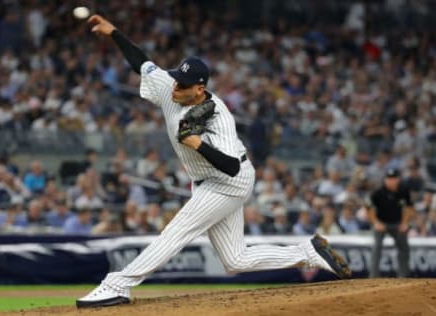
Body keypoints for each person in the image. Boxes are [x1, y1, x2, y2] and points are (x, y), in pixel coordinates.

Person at [76, 15, 351, 308]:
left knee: (175, 232)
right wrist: (115, 33)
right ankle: (309, 252)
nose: (174, 88)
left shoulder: (219, 117)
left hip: (228, 181)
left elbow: (231, 166)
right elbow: (141, 63)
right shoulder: (172, 86)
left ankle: (116, 285)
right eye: (176, 80)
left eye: (183, 85)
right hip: (206, 180)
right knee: (235, 260)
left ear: (200, 89)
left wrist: (198, 144)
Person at [367, 168, 414, 277]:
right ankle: (373, 276)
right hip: (381, 223)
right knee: (376, 247)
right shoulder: (377, 192)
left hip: (398, 223)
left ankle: (403, 276)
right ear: (385, 180)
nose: (391, 181)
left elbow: (410, 208)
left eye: (393, 178)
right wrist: (375, 222)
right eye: (389, 178)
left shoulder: (404, 190)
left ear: (398, 179)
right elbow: (368, 209)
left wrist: (405, 223)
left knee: (404, 247)